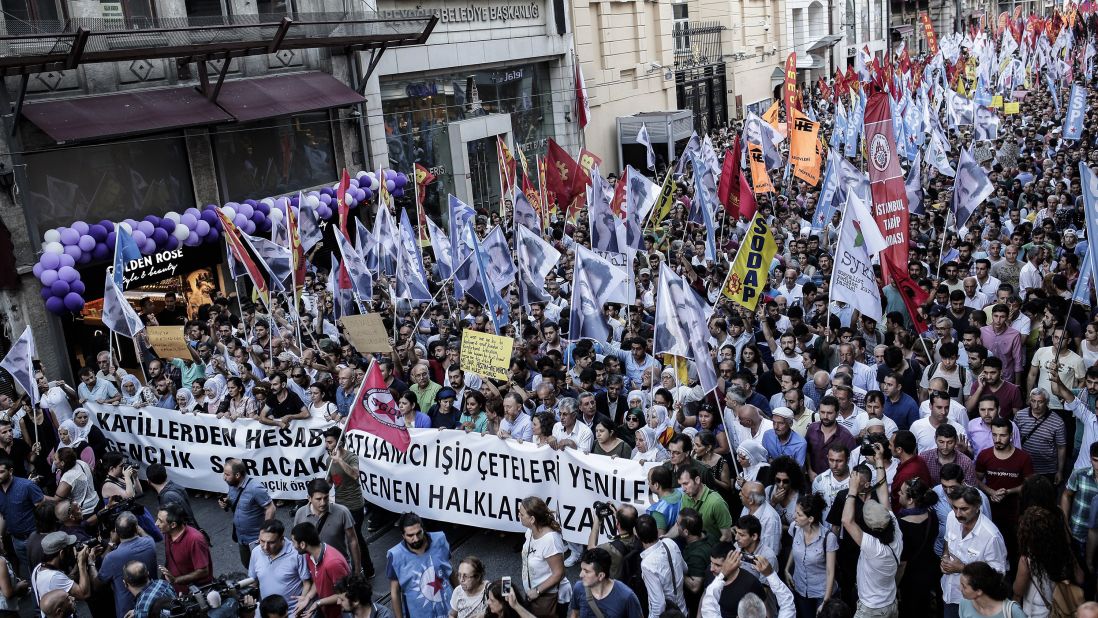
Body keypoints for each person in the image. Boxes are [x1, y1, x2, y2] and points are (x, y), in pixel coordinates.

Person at [840, 442, 902, 618]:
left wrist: (852, 490)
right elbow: (884, 495)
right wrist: (879, 461)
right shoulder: (896, 531)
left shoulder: (874, 548)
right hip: (890, 603)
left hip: (872, 609)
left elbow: (846, 520)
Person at [941, 488, 1008, 618]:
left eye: (964, 509)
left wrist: (962, 568)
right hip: (950, 594)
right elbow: (947, 540)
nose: (958, 514)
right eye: (954, 507)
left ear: (977, 507)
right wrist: (944, 558)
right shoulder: (951, 517)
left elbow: (998, 574)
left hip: (975, 603)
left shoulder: (991, 536)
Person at [323, 426, 373, 578]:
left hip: (354, 505)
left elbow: (355, 474)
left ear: (340, 443)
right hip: (340, 504)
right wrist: (321, 489)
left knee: (355, 537)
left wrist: (339, 461)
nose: (327, 445)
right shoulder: (328, 461)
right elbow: (332, 482)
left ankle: (367, 568)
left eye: (330, 442)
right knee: (344, 537)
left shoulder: (351, 457)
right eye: (326, 442)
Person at [386, 513, 454, 618]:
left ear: (423, 529)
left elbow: (451, 570)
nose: (416, 539)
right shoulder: (395, 556)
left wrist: (464, 597)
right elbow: (394, 591)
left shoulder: (440, 539)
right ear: (403, 535)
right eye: (410, 536)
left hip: (449, 609)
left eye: (419, 533)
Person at [293, 478, 362, 574]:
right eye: (318, 499)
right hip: (313, 570)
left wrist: (357, 570)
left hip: (339, 567)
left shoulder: (342, 512)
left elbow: (352, 541)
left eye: (326, 498)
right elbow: (296, 541)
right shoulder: (300, 514)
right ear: (309, 498)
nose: (323, 503)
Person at [97, 511, 158, 618]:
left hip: (127, 610)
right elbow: (145, 535)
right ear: (136, 528)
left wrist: (91, 563)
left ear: (116, 531)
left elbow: (98, 583)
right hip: (153, 600)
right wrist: (138, 528)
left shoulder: (111, 557)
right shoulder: (150, 543)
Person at [785, 492, 837, 616]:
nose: (794, 516)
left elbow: (830, 571)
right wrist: (787, 569)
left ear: (811, 519)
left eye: (799, 514)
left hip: (822, 592)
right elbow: (795, 548)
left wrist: (825, 601)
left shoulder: (828, 538)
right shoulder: (795, 528)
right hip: (801, 589)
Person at [248, 519, 312, 616]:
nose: (265, 547)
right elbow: (253, 582)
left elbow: (306, 583)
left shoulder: (297, 554)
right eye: (262, 541)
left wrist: (300, 606)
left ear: (281, 539)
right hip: (266, 613)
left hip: (290, 613)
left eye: (271, 542)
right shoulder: (256, 552)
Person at [220, 459, 277, 568]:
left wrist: (265, 533)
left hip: (256, 539)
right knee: (248, 565)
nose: (224, 477)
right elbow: (234, 501)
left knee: (264, 567)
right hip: (241, 538)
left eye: (227, 474)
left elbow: (271, 508)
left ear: (237, 475)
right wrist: (226, 503)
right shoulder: (232, 485)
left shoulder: (255, 488)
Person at [519, 496, 568, 617]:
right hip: (532, 592)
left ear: (532, 519)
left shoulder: (550, 540)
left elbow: (559, 573)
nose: (519, 515)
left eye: (521, 514)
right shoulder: (530, 531)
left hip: (546, 596)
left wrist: (537, 591)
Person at [292, 521, 350, 618]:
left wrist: (318, 603)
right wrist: (308, 597)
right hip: (325, 610)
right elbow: (318, 580)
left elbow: (346, 593)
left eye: (294, 542)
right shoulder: (309, 555)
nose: (293, 546)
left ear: (302, 544)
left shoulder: (332, 563)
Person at [0, 456, 45, 575]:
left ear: (10, 471)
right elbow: (3, 515)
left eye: (1, 472)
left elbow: (42, 509)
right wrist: (1, 537)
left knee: (42, 569)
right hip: (16, 539)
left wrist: (41, 534)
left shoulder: (27, 486)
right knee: (28, 570)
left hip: (33, 536)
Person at [568, 548, 643, 618]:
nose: (580, 575)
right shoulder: (579, 588)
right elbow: (575, 614)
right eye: (581, 569)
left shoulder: (627, 596)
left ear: (601, 576)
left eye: (586, 571)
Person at [635, 514, 687, 616]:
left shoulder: (647, 564)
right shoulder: (670, 542)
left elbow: (658, 604)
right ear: (656, 530)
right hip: (683, 611)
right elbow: (685, 569)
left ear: (638, 536)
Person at [157, 501, 213, 593]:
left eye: (160, 521)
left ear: (173, 525)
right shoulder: (168, 533)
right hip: (178, 589)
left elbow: (203, 571)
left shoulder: (195, 540)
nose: (156, 523)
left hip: (196, 591)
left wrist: (176, 580)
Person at [31, 531, 94, 612]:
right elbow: (84, 594)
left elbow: (66, 581)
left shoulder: (39, 568)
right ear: (62, 553)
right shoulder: (53, 577)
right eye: (69, 548)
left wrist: (78, 562)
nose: (71, 550)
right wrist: (82, 563)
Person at [957, 561, 1024, 618]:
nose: (960, 588)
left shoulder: (1013, 610)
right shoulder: (964, 604)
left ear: (979, 591)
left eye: (964, 586)